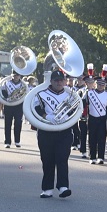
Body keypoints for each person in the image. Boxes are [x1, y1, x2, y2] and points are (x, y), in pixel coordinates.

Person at [30, 69, 75, 198]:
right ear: (51, 81)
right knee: (47, 159)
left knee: (62, 158)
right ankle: (47, 188)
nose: (59, 83)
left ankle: (63, 186)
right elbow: (36, 109)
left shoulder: (71, 94)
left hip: (64, 130)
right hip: (46, 130)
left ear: (65, 81)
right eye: (56, 80)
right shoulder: (41, 93)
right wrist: (46, 116)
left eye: (61, 80)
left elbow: (76, 110)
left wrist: (66, 117)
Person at [84, 75, 107, 164]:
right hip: (92, 118)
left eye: (102, 85)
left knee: (101, 138)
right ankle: (92, 157)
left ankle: (101, 157)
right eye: (99, 84)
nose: (100, 86)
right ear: (96, 84)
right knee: (92, 138)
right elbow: (84, 104)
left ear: (105, 85)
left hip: (102, 119)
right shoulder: (89, 93)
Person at [0, 71, 28, 148]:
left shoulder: (23, 85)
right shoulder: (6, 83)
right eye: (15, 75)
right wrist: (7, 98)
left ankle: (17, 141)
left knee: (18, 123)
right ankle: (7, 142)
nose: (16, 76)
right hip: (8, 105)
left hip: (19, 105)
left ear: (20, 76)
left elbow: (26, 94)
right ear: (12, 75)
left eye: (18, 75)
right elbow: (2, 91)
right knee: (7, 124)